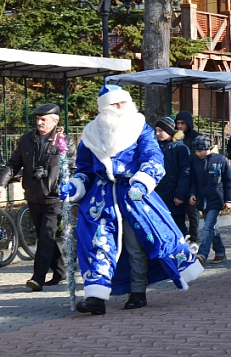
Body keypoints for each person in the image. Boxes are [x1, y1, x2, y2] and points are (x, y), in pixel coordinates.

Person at [62, 85, 203, 315]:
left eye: (123, 103)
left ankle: (138, 292)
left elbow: (152, 156)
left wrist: (143, 181)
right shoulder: (90, 133)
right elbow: (85, 169)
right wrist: (74, 185)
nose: (120, 108)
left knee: (137, 244)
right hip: (101, 197)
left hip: (134, 193)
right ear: (104, 107)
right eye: (114, 104)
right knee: (97, 243)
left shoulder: (140, 128)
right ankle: (96, 297)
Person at [0, 103, 72, 291]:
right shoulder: (27, 140)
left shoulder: (64, 141)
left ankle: (37, 278)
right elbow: (12, 164)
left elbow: (72, 168)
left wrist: (63, 186)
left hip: (54, 198)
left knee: (46, 236)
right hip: (33, 196)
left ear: (55, 121)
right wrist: (2, 183)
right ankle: (60, 270)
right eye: (37, 119)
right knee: (44, 235)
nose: (39, 122)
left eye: (44, 119)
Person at [189, 135, 231, 264]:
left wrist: (228, 200)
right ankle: (220, 252)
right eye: (195, 151)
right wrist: (192, 194)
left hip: (215, 198)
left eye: (200, 150)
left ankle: (203, 254)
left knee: (207, 227)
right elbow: (193, 180)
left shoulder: (220, 160)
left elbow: (229, 181)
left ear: (207, 148)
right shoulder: (195, 161)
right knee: (213, 227)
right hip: (202, 199)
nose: (198, 153)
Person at [153, 117, 191, 236]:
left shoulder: (180, 148)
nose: (158, 134)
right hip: (158, 193)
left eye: (161, 131)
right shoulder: (155, 147)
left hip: (174, 194)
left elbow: (186, 172)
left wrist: (180, 194)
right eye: (156, 131)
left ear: (169, 131)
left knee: (177, 225)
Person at [176, 111, 201, 242]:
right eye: (178, 123)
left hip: (194, 175)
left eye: (182, 123)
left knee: (192, 209)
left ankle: (194, 234)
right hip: (180, 175)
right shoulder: (175, 137)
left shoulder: (196, 137)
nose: (180, 126)